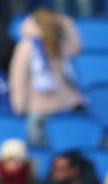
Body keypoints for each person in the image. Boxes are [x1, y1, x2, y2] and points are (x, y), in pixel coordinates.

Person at [8, 8, 81, 144]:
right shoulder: (27, 45)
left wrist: (67, 23)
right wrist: (19, 104)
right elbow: (18, 77)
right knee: (38, 148)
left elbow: (76, 48)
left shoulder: (60, 43)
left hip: (62, 104)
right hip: (37, 107)